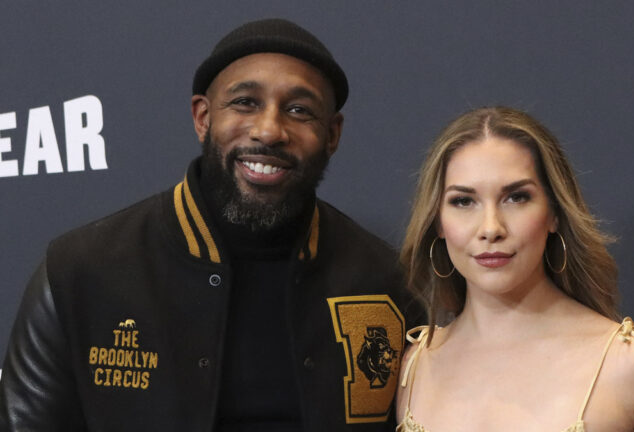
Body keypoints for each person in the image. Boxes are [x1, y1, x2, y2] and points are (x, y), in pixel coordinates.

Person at [0, 19, 418, 432]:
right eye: (245, 103)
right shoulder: (79, 271)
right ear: (203, 117)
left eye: (298, 110)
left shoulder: (384, 281)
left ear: (332, 134)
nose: (270, 130)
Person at [396, 107, 634, 431]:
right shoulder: (415, 366)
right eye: (463, 201)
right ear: (438, 222)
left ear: (554, 213)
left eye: (516, 197)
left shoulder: (628, 362)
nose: (491, 227)